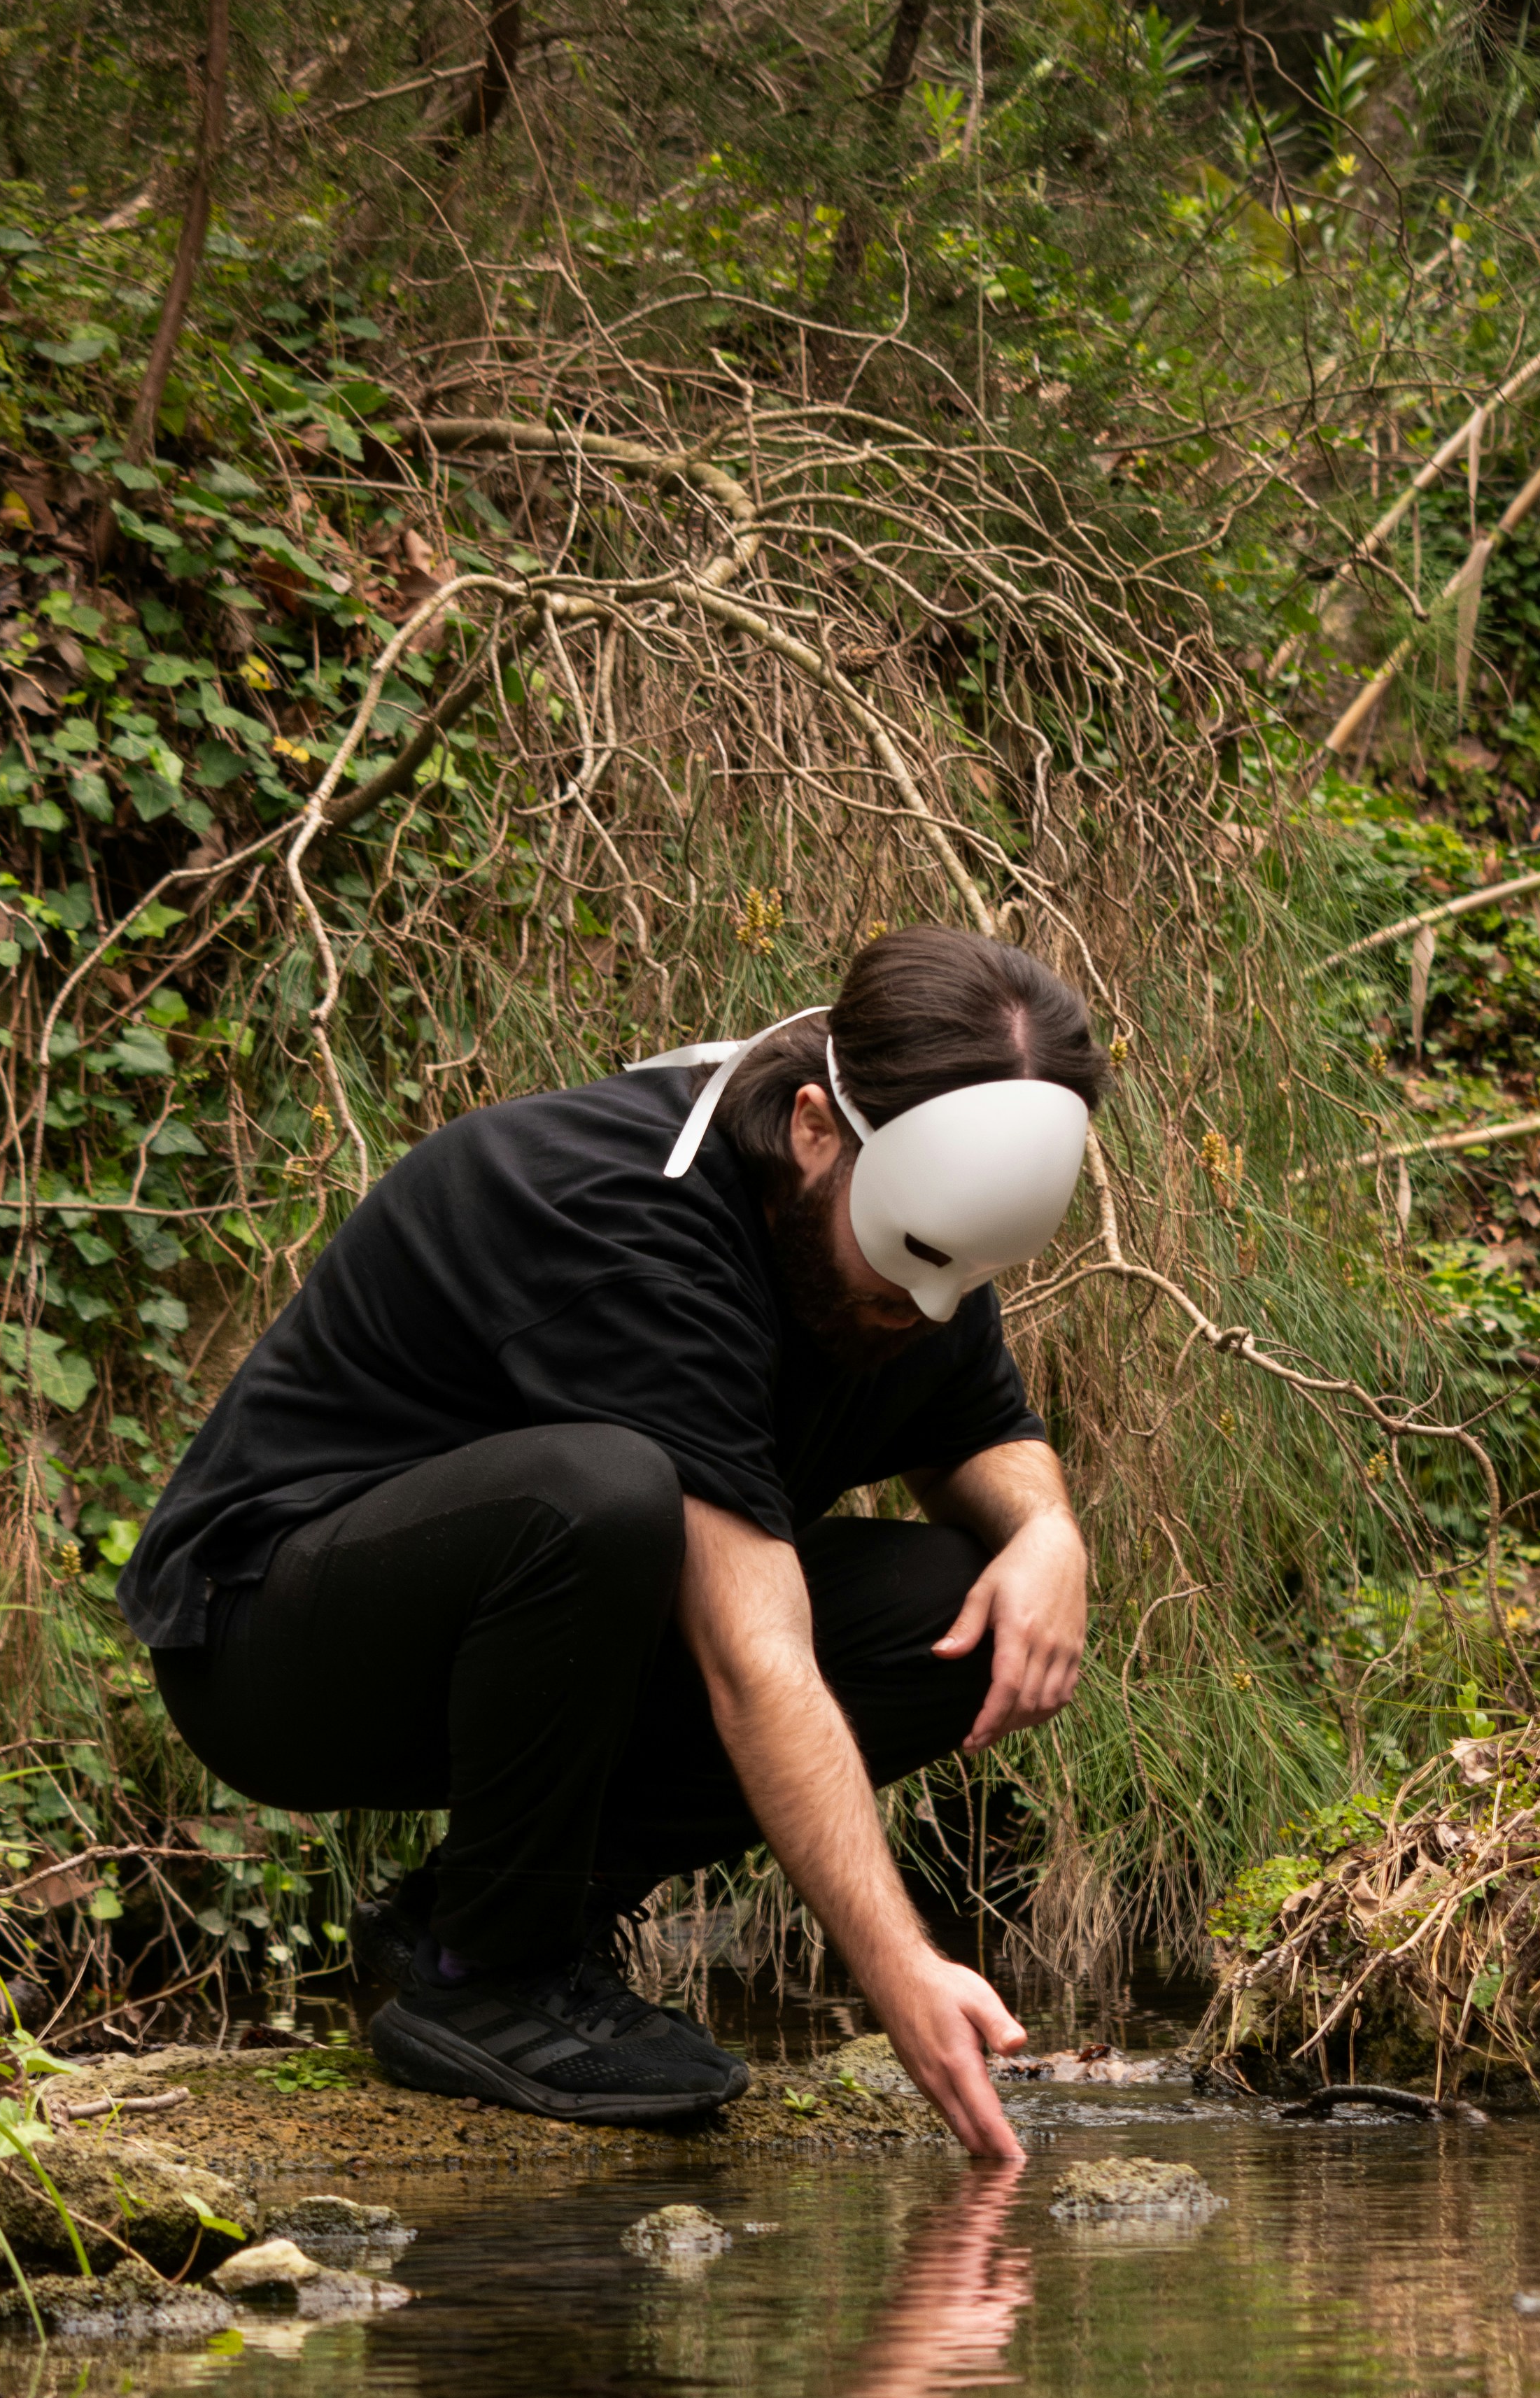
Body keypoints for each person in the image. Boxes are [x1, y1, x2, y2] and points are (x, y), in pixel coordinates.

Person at [118, 923, 1102, 2158]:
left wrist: (1052, 1533)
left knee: (955, 1605)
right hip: (278, 1641)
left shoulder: (909, 1228)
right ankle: (486, 1977)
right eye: (906, 1267)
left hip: (535, 1644)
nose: (928, 1310)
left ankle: (476, 1915)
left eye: (961, 1280)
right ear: (814, 1128)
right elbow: (755, 1659)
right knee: (602, 1491)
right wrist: (900, 1971)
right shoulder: (628, 1216)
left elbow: (985, 1428)